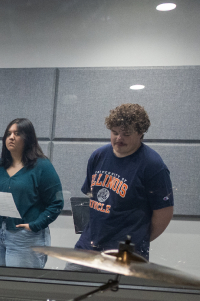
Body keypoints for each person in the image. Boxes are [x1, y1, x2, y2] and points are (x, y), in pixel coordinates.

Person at [71, 103, 173, 265]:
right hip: (88, 246)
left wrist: (138, 239)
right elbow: (91, 196)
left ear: (140, 133)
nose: (119, 138)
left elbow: (164, 214)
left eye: (126, 134)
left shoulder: (153, 165)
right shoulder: (98, 156)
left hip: (125, 254)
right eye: (115, 132)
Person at [0, 118, 64, 268]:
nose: (11, 137)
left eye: (17, 134)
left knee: (20, 285)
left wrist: (36, 225)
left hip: (25, 236)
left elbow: (56, 203)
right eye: (9, 133)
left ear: (28, 138)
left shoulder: (42, 167)